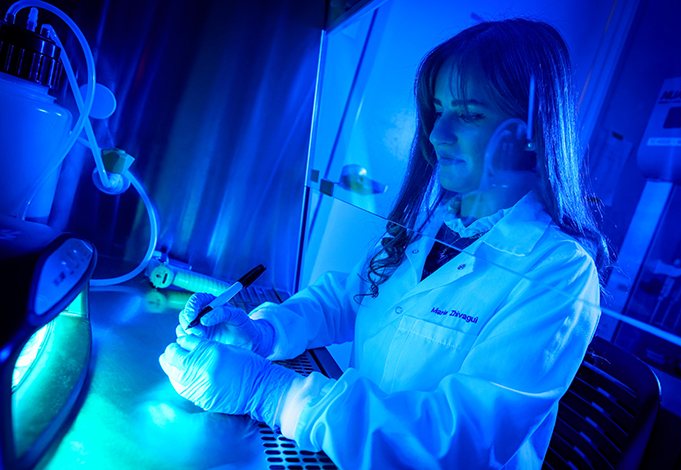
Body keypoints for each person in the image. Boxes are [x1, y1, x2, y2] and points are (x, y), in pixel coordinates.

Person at [159, 18, 611, 469]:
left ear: (531, 134)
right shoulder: (438, 221)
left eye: (469, 114)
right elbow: (348, 299)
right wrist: (265, 331)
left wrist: (271, 393)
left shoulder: (558, 271)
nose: (437, 134)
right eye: (438, 110)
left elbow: (454, 445)